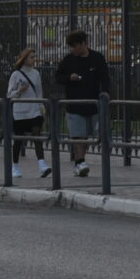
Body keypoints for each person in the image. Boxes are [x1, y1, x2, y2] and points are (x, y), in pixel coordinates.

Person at [53, 28, 111, 177]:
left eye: (74, 46)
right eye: (70, 47)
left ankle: (86, 162)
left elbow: (105, 78)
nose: (72, 49)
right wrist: (68, 78)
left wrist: (105, 93)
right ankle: (80, 162)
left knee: (94, 135)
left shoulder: (97, 58)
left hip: (93, 105)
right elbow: (58, 77)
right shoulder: (68, 60)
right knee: (78, 135)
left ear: (83, 44)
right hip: (74, 104)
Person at [4, 44, 48, 181]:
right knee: (19, 139)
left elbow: (39, 92)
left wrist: (41, 107)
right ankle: (15, 166)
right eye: (31, 57)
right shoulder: (16, 75)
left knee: (36, 135)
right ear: (24, 59)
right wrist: (19, 91)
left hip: (34, 111)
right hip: (20, 112)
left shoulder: (36, 74)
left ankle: (42, 165)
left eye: (34, 57)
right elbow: (8, 95)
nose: (34, 59)